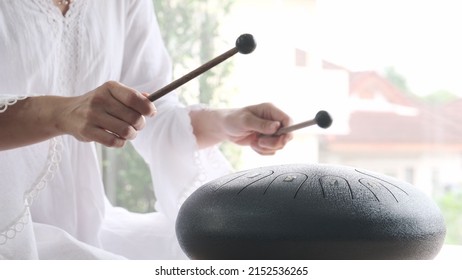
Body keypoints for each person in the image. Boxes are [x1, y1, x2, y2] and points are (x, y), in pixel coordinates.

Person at [0, 0, 293, 259]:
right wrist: (60, 113)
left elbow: (153, 108)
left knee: (219, 254)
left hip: (88, 224)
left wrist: (225, 122)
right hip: (10, 228)